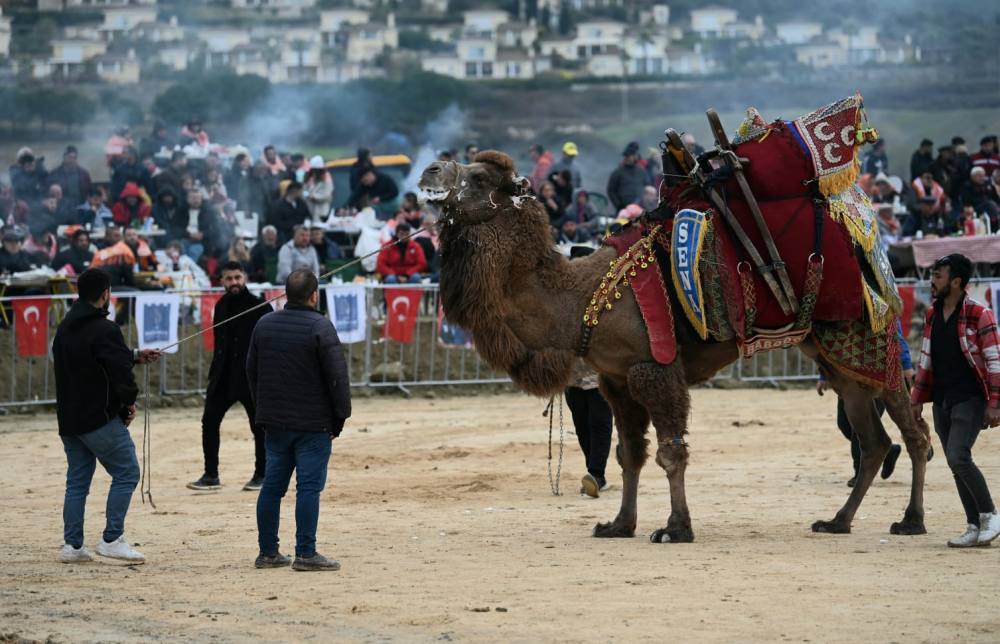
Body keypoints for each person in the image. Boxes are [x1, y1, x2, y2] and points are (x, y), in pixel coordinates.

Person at [52, 268, 160, 563]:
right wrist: (127, 405)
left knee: (77, 483)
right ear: (105, 294)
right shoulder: (105, 328)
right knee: (127, 472)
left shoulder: (65, 327)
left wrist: (135, 353)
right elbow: (119, 374)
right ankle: (112, 539)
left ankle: (72, 547)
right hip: (97, 418)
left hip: (70, 421)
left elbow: (99, 358)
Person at [247, 269, 351, 571]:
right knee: (308, 488)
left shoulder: (263, 324)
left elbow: (250, 371)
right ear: (314, 295)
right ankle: (305, 552)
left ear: (285, 293)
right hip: (312, 424)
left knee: (272, 487)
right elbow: (337, 378)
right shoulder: (321, 326)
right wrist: (339, 418)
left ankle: (268, 552)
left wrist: (262, 408)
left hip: (275, 422)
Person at [911, 253, 1000, 548]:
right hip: (942, 399)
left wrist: (994, 403)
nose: (931, 282)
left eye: (938, 277)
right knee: (954, 461)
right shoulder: (933, 314)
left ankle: (990, 515)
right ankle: (974, 525)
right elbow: (926, 359)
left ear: (957, 282)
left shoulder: (980, 314)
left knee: (958, 455)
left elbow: (994, 361)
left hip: (971, 398)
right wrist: (917, 399)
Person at [185, 262, 272, 492]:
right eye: (229, 278)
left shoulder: (259, 306)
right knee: (209, 422)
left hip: (250, 377)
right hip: (223, 376)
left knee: (259, 427)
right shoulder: (221, 305)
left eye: (237, 277)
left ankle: (262, 474)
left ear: (245, 278)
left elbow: (270, 343)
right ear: (221, 281)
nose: (234, 282)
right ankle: (211, 475)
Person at [817, 321, 914, 487]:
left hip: (876, 373)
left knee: (858, 427)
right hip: (849, 376)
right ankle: (888, 450)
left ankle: (860, 473)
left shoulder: (876, 301)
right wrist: (824, 376)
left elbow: (895, 334)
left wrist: (905, 364)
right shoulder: (842, 311)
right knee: (845, 425)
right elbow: (828, 344)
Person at [607, 142, 650, 211]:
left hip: (640, 208)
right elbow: (611, 191)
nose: (636, 157)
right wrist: (619, 205)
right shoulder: (617, 173)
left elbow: (647, 187)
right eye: (633, 155)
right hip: (624, 209)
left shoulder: (642, 171)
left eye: (634, 155)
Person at [304, 156, 334, 221]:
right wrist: (306, 194)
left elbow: (326, 195)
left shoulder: (326, 178)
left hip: (321, 211)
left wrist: (312, 196)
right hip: (309, 209)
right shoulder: (309, 177)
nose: (314, 172)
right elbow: (304, 190)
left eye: (316, 170)